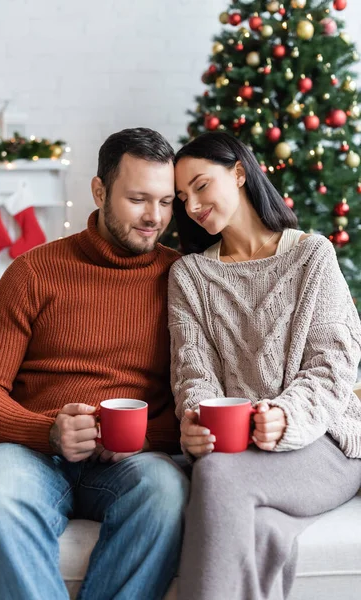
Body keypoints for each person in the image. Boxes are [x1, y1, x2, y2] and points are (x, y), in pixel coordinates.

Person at [0, 127, 189, 600]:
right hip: (32, 453)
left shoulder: (183, 279)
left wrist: (146, 436)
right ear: (99, 190)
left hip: (131, 461)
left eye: (166, 202)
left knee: (166, 493)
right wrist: (46, 430)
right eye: (138, 199)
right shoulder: (32, 271)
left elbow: (201, 393)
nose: (154, 217)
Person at [168, 131, 361, 600]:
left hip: (325, 443)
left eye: (200, 185)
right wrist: (195, 420)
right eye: (181, 197)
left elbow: (334, 364)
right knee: (262, 528)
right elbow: (194, 373)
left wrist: (287, 416)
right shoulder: (190, 275)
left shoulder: (311, 254)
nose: (191, 205)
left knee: (215, 476)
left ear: (238, 172)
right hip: (240, 448)